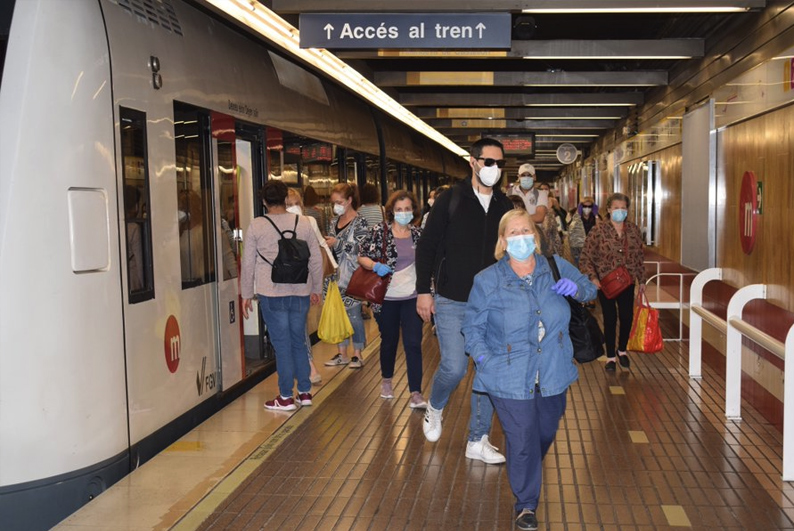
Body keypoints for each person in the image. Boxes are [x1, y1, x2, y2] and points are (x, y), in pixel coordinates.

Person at [462, 209, 596, 531]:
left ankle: (526, 466)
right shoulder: (487, 280)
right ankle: (526, 505)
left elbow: (590, 290)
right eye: (513, 233)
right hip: (507, 374)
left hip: (553, 369)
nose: (520, 237)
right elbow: (472, 327)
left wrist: (576, 289)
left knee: (544, 432)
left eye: (526, 231)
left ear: (534, 238)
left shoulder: (555, 266)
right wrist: (484, 359)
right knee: (522, 438)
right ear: (503, 241)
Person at [415, 137, 514, 464]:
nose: (494, 168)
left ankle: (478, 439)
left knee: (487, 370)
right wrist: (424, 290)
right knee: (455, 367)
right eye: (489, 162)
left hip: (492, 304)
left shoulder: (504, 205)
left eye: (500, 163)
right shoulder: (451, 199)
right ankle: (435, 406)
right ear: (473, 162)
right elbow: (427, 246)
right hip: (453, 299)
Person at [240, 180, 323, 410]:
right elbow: (316, 259)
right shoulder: (303, 222)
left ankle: (285, 396)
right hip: (300, 291)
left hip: (271, 293)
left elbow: (248, 263)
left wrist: (246, 294)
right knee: (298, 341)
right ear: (286, 198)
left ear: (264, 201)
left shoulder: (257, 225)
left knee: (282, 344)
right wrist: (316, 289)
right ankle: (304, 392)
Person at [358, 190, 428, 409]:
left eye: (407, 209)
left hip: (412, 297)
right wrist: (374, 265)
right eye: (399, 209)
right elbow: (361, 255)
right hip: (386, 298)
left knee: (413, 343)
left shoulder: (419, 234)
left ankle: (415, 392)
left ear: (414, 211)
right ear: (391, 211)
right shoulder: (379, 232)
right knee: (389, 341)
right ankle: (387, 380)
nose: (403, 213)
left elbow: (427, 264)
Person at [579, 192, 646, 372]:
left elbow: (639, 257)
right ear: (608, 209)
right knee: (609, 318)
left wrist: (642, 280)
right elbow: (586, 257)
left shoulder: (633, 230)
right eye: (616, 208)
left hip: (627, 281)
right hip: (605, 283)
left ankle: (622, 350)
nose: (620, 211)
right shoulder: (598, 231)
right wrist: (593, 277)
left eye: (623, 208)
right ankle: (610, 356)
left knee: (627, 317)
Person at [286, 188, 337, 385]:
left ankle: (308, 365)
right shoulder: (274, 224)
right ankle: (302, 365)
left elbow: (321, 246)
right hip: (282, 284)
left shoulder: (309, 222)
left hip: (303, 282)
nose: (293, 208)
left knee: (298, 325)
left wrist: (333, 270)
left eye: (296, 204)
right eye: (288, 205)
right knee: (291, 327)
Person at [323, 183, 370, 368]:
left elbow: (362, 248)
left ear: (349, 200)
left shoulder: (360, 222)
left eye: (339, 202)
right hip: (334, 276)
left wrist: (338, 243)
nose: (336, 206)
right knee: (338, 313)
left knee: (354, 314)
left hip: (352, 276)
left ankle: (357, 353)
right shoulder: (333, 221)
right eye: (334, 202)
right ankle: (342, 353)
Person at [567, 196, 600, 267]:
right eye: (585, 206)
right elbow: (571, 229)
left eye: (589, 206)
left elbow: (600, 229)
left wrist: (596, 215)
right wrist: (577, 214)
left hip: (592, 248)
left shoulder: (595, 217)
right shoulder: (576, 217)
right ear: (581, 207)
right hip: (579, 248)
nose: (587, 208)